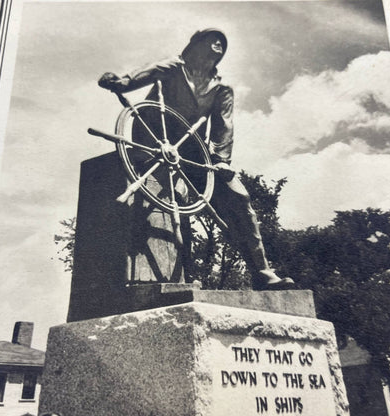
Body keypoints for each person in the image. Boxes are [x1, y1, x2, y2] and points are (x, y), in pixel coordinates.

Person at [98, 28, 294, 289]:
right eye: (212, 39)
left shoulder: (222, 89)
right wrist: (122, 82)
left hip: (193, 152)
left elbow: (224, 125)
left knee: (238, 198)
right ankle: (185, 277)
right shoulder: (174, 67)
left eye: (222, 43)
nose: (218, 45)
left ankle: (262, 272)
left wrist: (221, 159)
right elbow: (148, 72)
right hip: (154, 141)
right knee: (171, 197)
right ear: (195, 45)